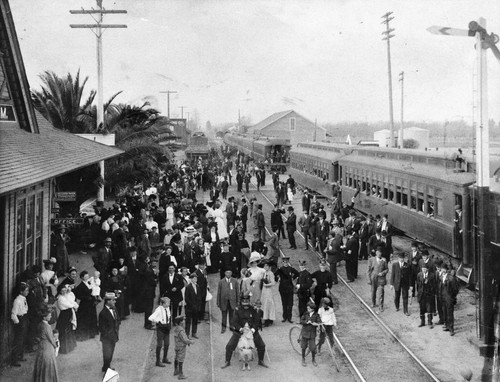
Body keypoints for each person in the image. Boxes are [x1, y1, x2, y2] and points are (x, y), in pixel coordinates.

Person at [221, 295, 268, 369]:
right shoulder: (237, 310)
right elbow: (234, 322)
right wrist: (240, 329)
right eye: (244, 304)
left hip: (251, 332)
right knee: (229, 345)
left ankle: (261, 360)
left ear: (249, 302)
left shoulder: (253, 309)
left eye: (247, 304)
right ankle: (227, 361)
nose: (246, 306)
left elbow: (256, 321)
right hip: (240, 332)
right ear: (241, 302)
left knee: (261, 345)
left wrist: (253, 330)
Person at [32, 306, 59, 382]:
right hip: (47, 346)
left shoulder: (40, 324)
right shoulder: (47, 326)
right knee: (48, 363)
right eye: (49, 315)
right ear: (44, 317)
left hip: (41, 345)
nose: (50, 317)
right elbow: (51, 338)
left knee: (41, 363)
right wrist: (55, 345)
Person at [73, 271, 98, 341]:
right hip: (85, 305)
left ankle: (92, 333)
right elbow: (78, 295)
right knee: (85, 319)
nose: (87, 277)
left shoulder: (89, 282)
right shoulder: (80, 286)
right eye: (85, 276)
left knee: (92, 317)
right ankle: (85, 334)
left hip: (91, 303)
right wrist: (85, 297)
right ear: (82, 278)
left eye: (87, 276)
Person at [98, 292, 120, 373]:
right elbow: (101, 328)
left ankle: (107, 366)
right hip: (107, 338)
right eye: (113, 300)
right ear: (108, 301)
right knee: (107, 353)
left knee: (111, 353)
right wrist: (109, 334)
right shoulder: (103, 313)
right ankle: (106, 368)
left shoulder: (114, 309)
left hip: (113, 335)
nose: (115, 302)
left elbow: (117, 319)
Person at [148, 297, 172, 367]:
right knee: (159, 345)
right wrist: (158, 321)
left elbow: (169, 316)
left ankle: (165, 358)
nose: (169, 304)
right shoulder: (159, 309)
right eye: (168, 303)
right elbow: (150, 318)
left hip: (167, 328)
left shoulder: (167, 308)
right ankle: (158, 361)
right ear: (163, 303)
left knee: (167, 344)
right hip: (161, 329)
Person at [11, 282, 29, 367]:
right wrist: (18, 323)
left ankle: (20, 356)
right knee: (18, 340)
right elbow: (13, 314)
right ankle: (14, 360)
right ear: (21, 291)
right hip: (20, 320)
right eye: (26, 290)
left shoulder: (24, 298)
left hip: (24, 318)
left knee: (23, 339)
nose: (27, 292)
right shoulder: (17, 301)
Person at [56, 285, 78, 354]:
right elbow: (69, 304)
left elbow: (72, 299)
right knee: (64, 331)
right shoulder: (60, 298)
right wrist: (74, 305)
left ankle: (70, 346)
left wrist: (69, 292)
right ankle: (64, 348)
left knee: (69, 329)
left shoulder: (66, 295)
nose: (64, 292)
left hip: (68, 313)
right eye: (62, 291)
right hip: (64, 315)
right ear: (59, 291)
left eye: (65, 290)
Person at [276, 256, 299, 323]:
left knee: (290, 303)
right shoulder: (280, 269)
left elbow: (297, 273)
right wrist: (278, 279)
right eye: (284, 262)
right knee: (284, 303)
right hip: (282, 288)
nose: (285, 263)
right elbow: (275, 276)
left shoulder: (291, 269)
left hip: (289, 288)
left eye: (286, 262)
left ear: (288, 262)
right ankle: (284, 317)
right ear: (282, 262)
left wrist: (293, 278)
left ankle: (289, 317)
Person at [216, 269, 240, 333]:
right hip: (224, 301)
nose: (228, 274)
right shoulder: (221, 282)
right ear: (224, 273)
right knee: (224, 315)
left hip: (232, 301)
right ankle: (223, 327)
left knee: (232, 315)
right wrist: (218, 302)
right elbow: (219, 293)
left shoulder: (235, 281)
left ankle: (231, 326)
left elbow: (237, 292)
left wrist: (238, 302)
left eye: (230, 272)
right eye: (227, 272)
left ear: (231, 273)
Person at [367, 246, 388, 312]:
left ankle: (381, 306)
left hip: (381, 278)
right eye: (378, 252)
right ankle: (373, 303)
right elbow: (368, 270)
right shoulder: (371, 259)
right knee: (373, 291)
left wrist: (383, 273)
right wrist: (368, 279)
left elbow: (387, 269)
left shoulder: (384, 260)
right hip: (373, 278)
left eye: (380, 252)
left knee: (381, 292)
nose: (379, 254)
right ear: (376, 252)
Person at [300, 301, 321, 367]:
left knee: (313, 347)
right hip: (305, 333)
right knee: (303, 346)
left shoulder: (316, 315)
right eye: (307, 308)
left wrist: (316, 324)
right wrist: (306, 322)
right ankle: (303, 359)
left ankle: (313, 359)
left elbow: (319, 322)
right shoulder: (305, 313)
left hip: (312, 334)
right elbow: (301, 321)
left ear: (312, 309)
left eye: (309, 308)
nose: (307, 309)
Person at [173, 315, 194, 380]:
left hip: (177, 346)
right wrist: (191, 342)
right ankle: (180, 374)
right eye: (183, 320)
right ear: (180, 322)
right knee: (181, 359)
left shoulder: (176, 328)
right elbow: (185, 340)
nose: (184, 321)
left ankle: (176, 370)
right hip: (181, 347)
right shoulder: (181, 330)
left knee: (176, 357)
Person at [440, 263, 459, 336]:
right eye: (442, 269)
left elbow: (455, 290)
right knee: (445, 312)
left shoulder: (451, 278)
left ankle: (451, 329)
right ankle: (447, 326)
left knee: (450, 313)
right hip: (443, 297)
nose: (443, 270)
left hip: (449, 298)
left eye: (444, 269)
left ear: (447, 270)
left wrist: (452, 297)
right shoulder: (441, 277)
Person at [416, 264, 436, 328]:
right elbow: (418, 285)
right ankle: (422, 322)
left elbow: (434, 285)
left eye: (425, 269)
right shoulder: (419, 275)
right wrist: (418, 294)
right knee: (422, 309)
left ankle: (430, 322)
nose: (423, 270)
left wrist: (430, 290)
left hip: (428, 295)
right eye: (422, 269)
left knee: (429, 309)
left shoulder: (432, 275)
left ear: (427, 269)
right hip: (421, 295)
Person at [184, 273, 202, 339]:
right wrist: (192, 305)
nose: (195, 280)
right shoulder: (188, 287)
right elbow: (186, 298)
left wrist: (198, 305)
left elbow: (200, 296)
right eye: (194, 278)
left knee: (195, 320)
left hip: (196, 308)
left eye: (196, 278)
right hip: (190, 308)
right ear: (191, 279)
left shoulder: (198, 286)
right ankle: (187, 334)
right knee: (188, 321)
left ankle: (194, 333)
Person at [260, 260, 277, 327]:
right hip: (264, 290)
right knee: (264, 303)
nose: (266, 267)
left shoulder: (271, 273)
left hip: (268, 290)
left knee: (268, 303)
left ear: (269, 267)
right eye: (265, 266)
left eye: (267, 266)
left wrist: (267, 285)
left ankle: (269, 319)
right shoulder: (263, 273)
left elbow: (273, 283)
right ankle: (265, 318)